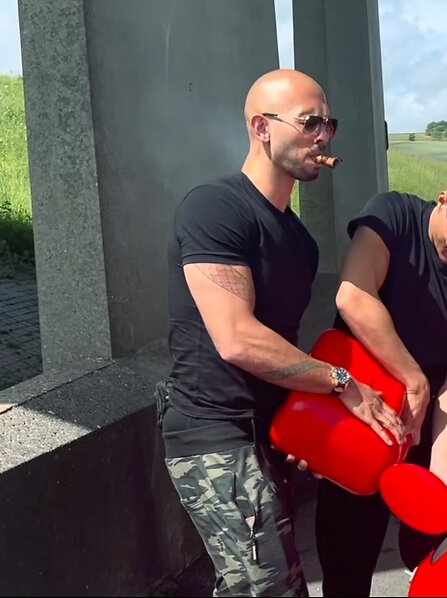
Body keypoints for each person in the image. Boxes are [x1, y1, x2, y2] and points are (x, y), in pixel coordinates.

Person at [160, 68, 405, 598]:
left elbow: (282, 351)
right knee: (267, 587)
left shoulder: (298, 241)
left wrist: (301, 430)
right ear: (261, 127)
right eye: (309, 122)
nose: (323, 137)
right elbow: (236, 338)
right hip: (213, 433)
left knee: (269, 585)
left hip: (266, 437)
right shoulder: (216, 208)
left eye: (328, 124)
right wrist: (342, 383)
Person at [315, 165, 447, 596]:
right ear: (443, 200)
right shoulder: (392, 217)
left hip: (427, 433)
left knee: (432, 563)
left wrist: (440, 467)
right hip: (360, 420)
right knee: (346, 563)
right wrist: (413, 379)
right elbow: (352, 295)